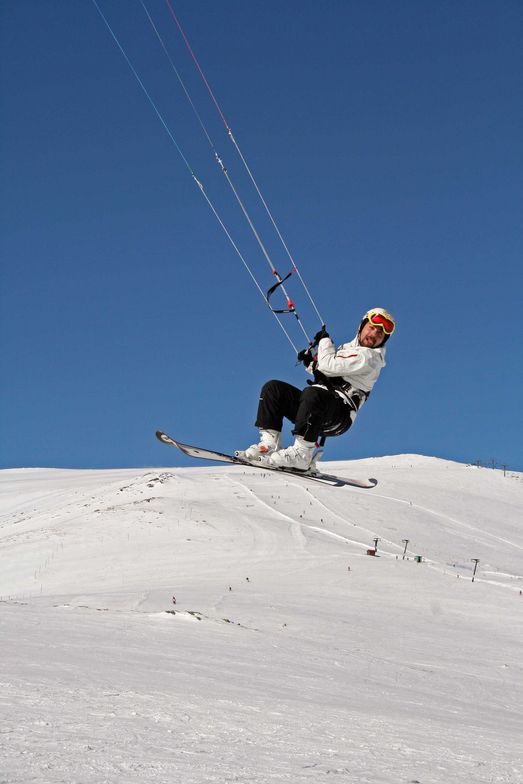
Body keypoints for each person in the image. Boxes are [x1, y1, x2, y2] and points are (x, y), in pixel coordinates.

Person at [236, 307, 396, 471]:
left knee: (313, 394)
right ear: (361, 327)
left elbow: (328, 365)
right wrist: (311, 364)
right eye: (372, 328)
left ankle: (302, 454)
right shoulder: (347, 349)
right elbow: (329, 372)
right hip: (318, 407)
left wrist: (325, 341)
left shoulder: (370, 357)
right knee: (273, 388)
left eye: (380, 334)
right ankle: (269, 444)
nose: (374, 335)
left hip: (338, 415)